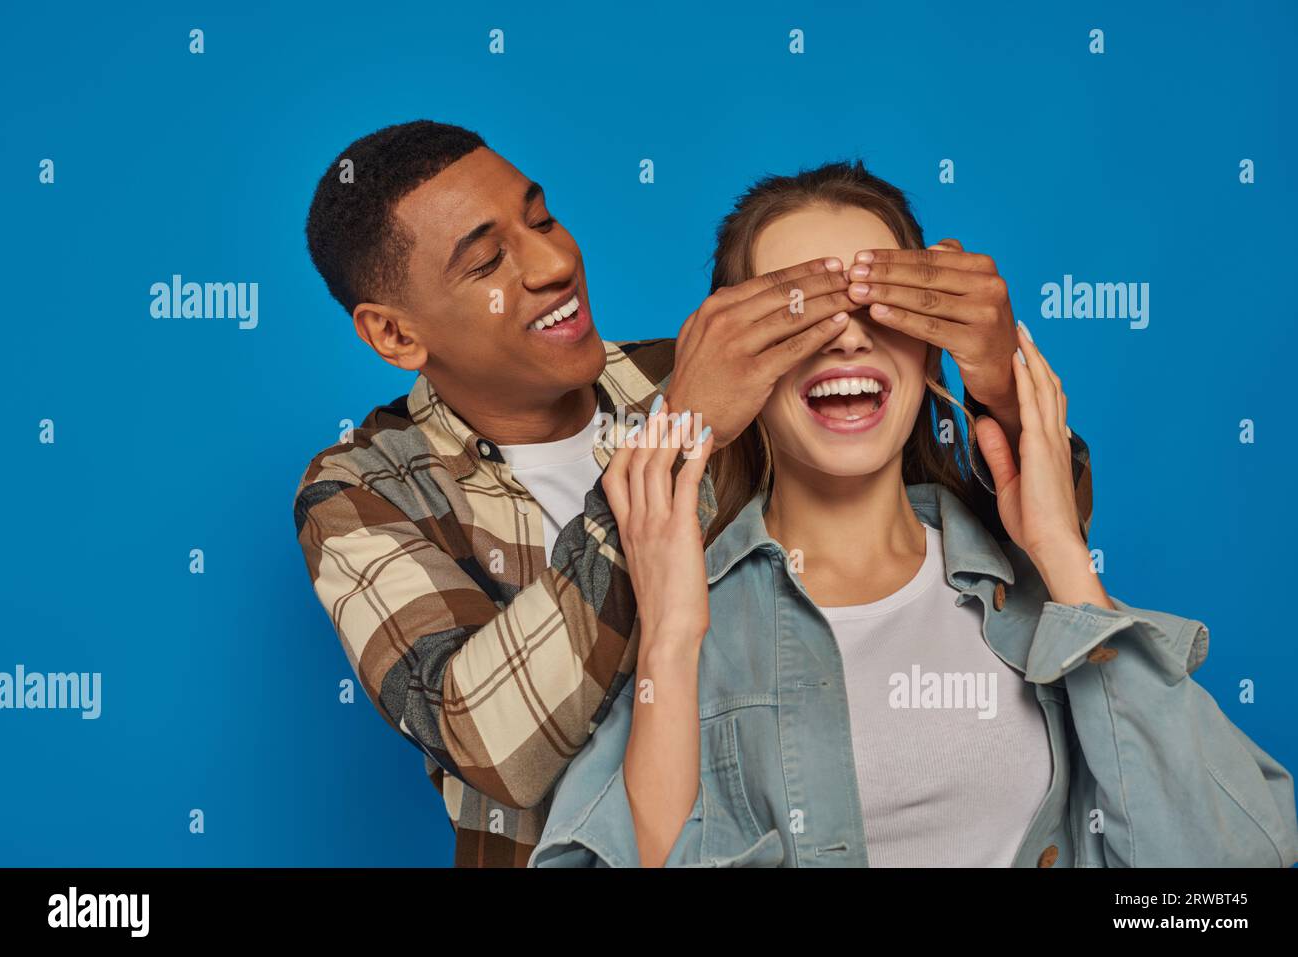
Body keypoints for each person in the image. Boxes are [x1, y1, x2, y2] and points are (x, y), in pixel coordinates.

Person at [292, 120, 1089, 866]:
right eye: (486, 260)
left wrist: (998, 391)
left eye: (541, 219)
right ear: (395, 334)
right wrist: (678, 436)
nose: (551, 263)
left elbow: (1010, 541)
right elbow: (492, 746)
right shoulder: (362, 491)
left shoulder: (698, 367)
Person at [530, 162, 1298, 867]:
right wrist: (668, 638)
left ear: (932, 350)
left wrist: (1063, 554)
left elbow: (1221, 886)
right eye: (797, 313)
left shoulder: (1028, 596)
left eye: (877, 303)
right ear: (744, 371)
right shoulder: (690, 618)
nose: (847, 335)